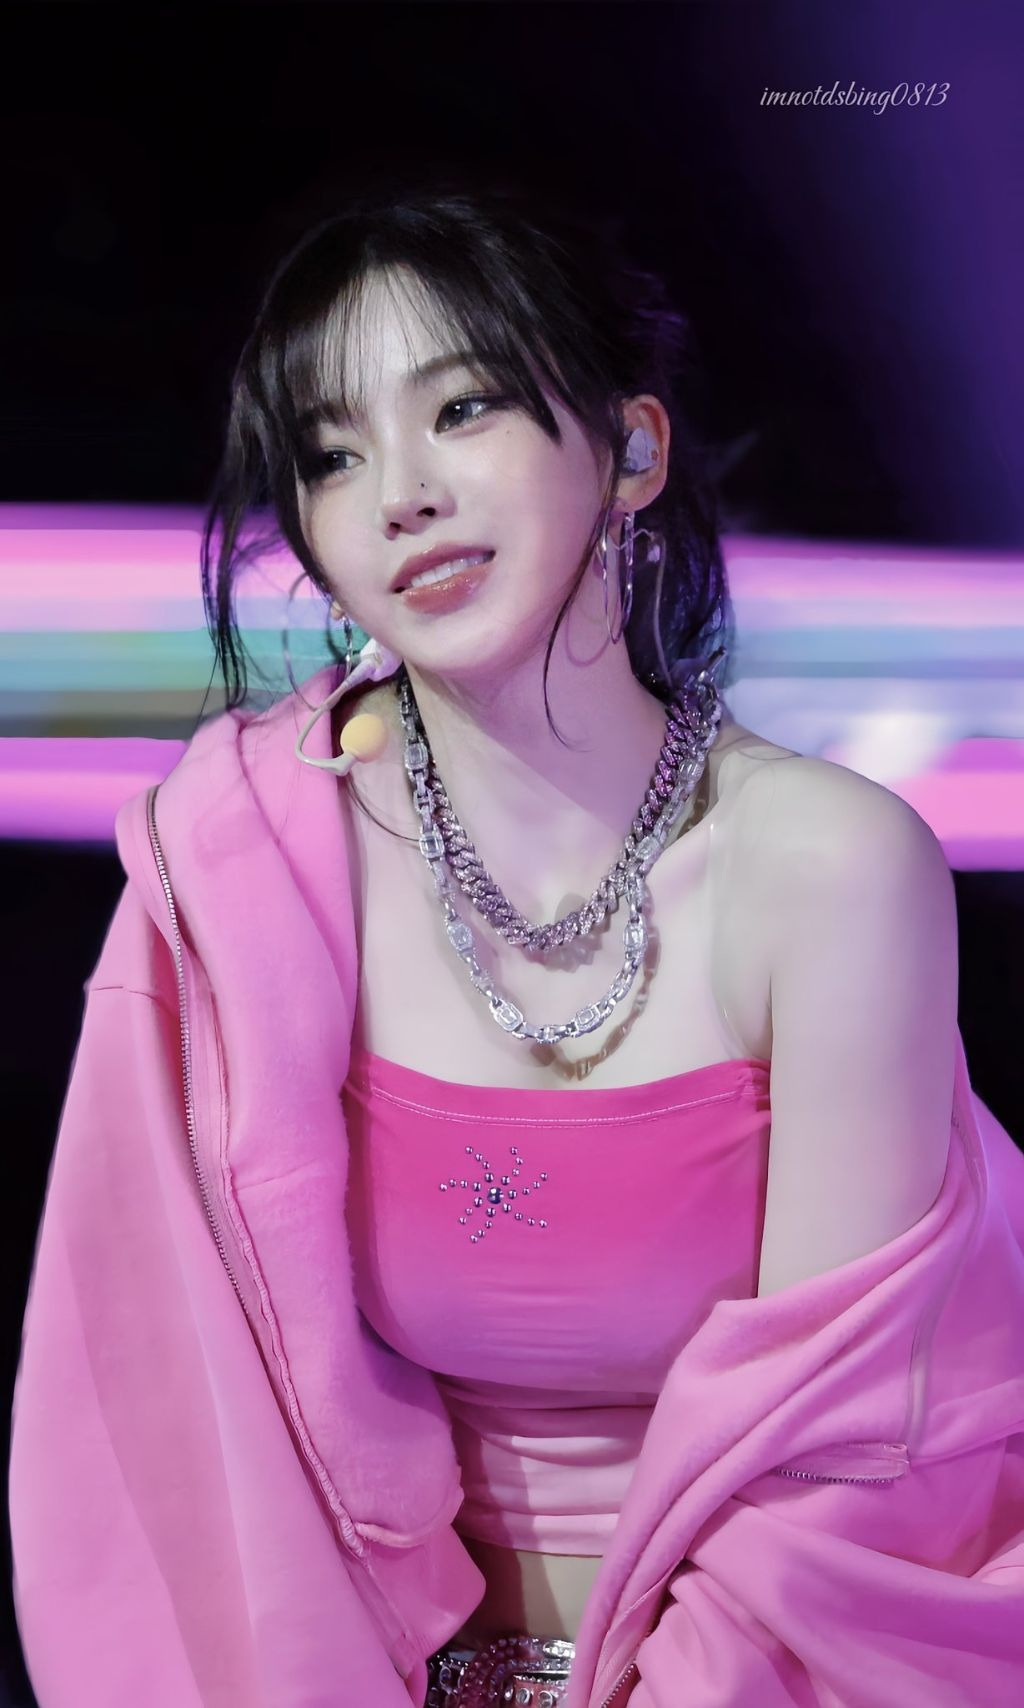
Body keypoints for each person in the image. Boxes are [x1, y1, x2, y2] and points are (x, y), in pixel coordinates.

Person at [9, 181, 1024, 1708]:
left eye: (462, 408)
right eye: (333, 455)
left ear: (633, 450)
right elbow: (153, 1437)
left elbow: (839, 1459)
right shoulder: (234, 871)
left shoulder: (830, 869)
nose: (400, 493)